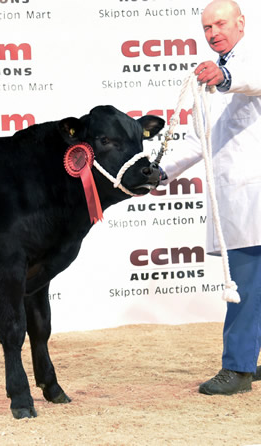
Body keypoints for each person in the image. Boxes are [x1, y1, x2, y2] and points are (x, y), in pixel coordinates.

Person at [160, 0, 261, 395]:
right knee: (253, 286)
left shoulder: (245, 62)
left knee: (246, 286)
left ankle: (237, 369)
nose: (213, 31)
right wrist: (159, 174)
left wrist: (223, 77)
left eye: (220, 23)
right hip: (237, 200)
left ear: (241, 23)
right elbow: (197, 139)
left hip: (251, 198)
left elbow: (250, 78)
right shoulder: (211, 77)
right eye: (206, 27)